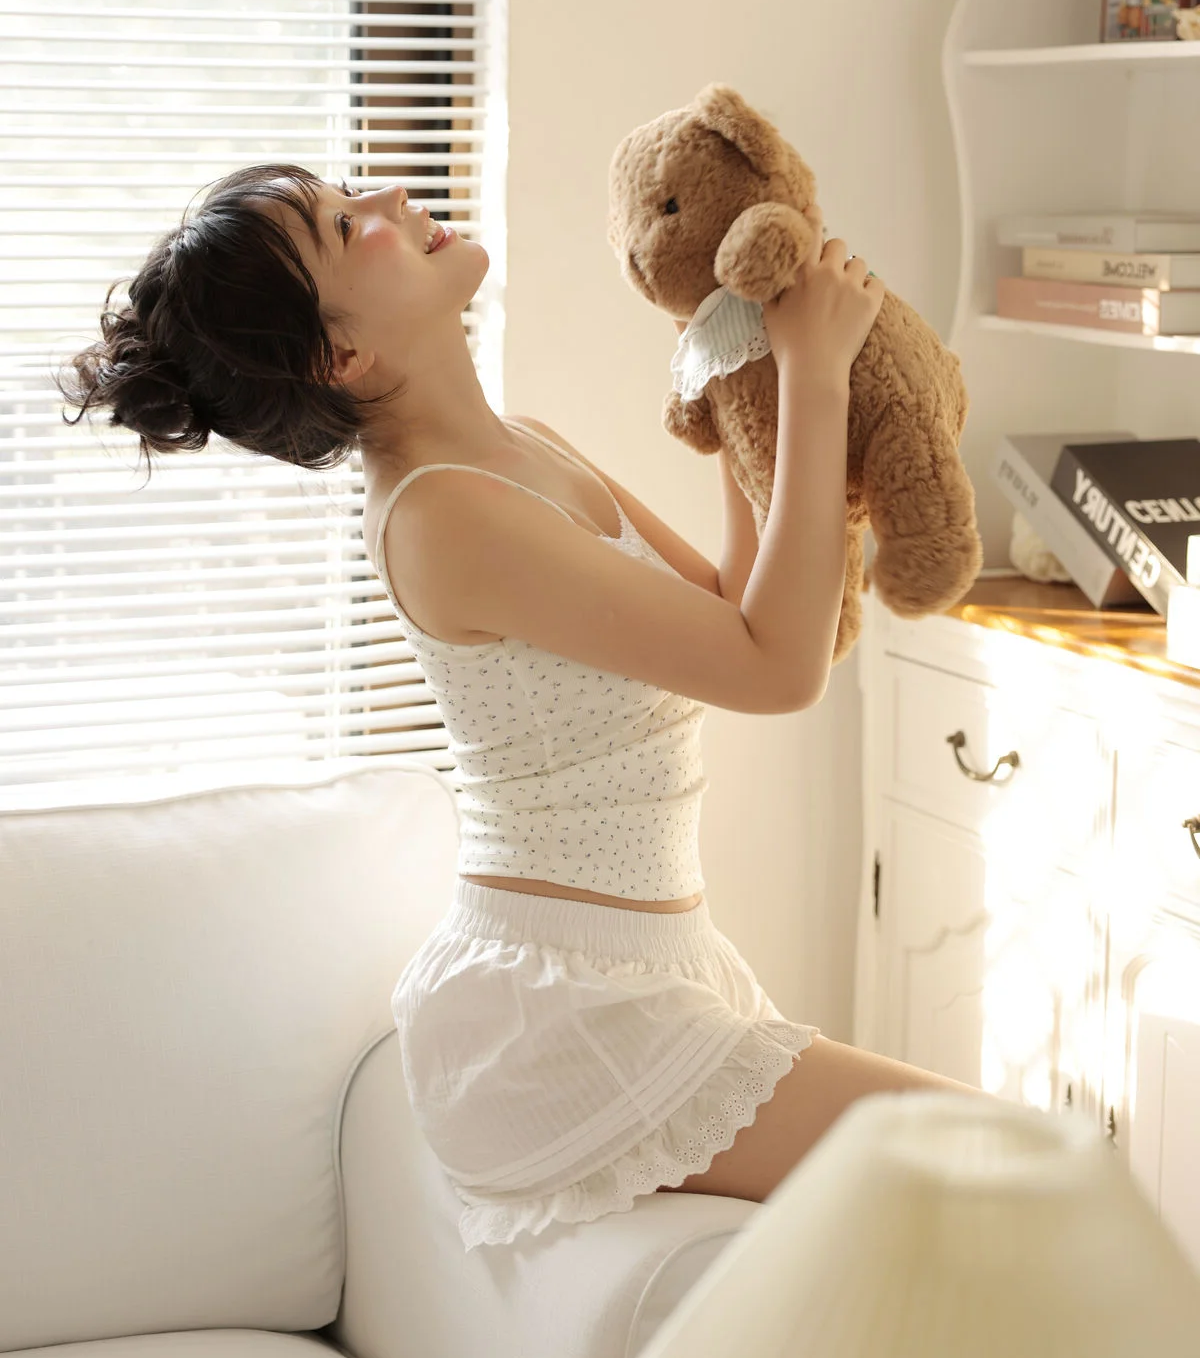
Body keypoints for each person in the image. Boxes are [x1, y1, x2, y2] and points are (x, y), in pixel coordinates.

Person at [61, 163, 982, 1253]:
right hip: (566, 1009)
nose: (391, 199)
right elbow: (778, 670)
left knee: (967, 1205)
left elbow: (742, 611)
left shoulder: (523, 446)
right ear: (340, 357)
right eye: (348, 225)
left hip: (653, 964)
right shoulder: (446, 515)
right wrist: (815, 372)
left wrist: (746, 373)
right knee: (1000, 1158)